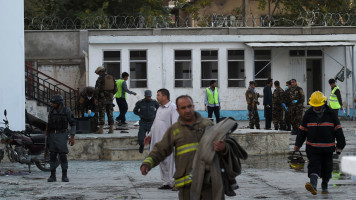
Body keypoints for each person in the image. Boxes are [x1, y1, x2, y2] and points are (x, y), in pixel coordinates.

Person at [141, 95, 224, 200]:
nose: (187, 110)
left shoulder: (207, 124)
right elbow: (161, 149)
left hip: (208, 182)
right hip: (186, 186)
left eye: (189, 106)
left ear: (193, 106)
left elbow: (226, 144)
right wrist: (148, 163)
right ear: (178, 110)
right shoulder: (174, 130)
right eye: (183, 108)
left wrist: (223, 147)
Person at [294, 91, 346, 195]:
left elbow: (338, 131)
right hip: (312, 148)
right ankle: (313, 185)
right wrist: (297, 144)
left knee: (327, 168)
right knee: (313, 165)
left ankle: (324, 185)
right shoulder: (308, 114)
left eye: (318, 106)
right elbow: (302, 131)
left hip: (328, 148)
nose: (316, 108)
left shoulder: (331, 114)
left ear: (323, 103)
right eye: (314, 106)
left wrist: (340, 145)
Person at [143, 89, 179, 190]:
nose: (157, 97)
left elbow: (175, 124)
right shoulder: (159, 109)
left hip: (168, 141)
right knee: (162, 161)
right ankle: (166, 182)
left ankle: (175, 182)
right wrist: (149, 135)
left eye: (158, 95)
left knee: (170, 162)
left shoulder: (172, 108)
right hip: (158, 141)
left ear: (165, 96)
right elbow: (155, 124)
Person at [47, 94, 76, 182]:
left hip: (62, 134)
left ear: (59, 103)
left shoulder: (66, 111)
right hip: (52, 135)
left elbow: (73, 123)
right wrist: (48, 135)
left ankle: (64, 175)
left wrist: (72, 137)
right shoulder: (52, 111)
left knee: (62, 155)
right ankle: (52, 175)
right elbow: (49, 124)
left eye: (54, 103)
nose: (52, 105)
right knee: (52, 155)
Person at [94, 66, 117, 134]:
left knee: (102, 113)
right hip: (110, 99)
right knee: (110, 113)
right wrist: (111, 94)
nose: (98, 74)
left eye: (98, 73)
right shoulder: (112, 77)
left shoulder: (100, 79)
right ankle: (111, 129)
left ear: (101, 72)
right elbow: (116, 89)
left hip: (102, 99)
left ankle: (101, 130)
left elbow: (97, 90)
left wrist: (95, 98)